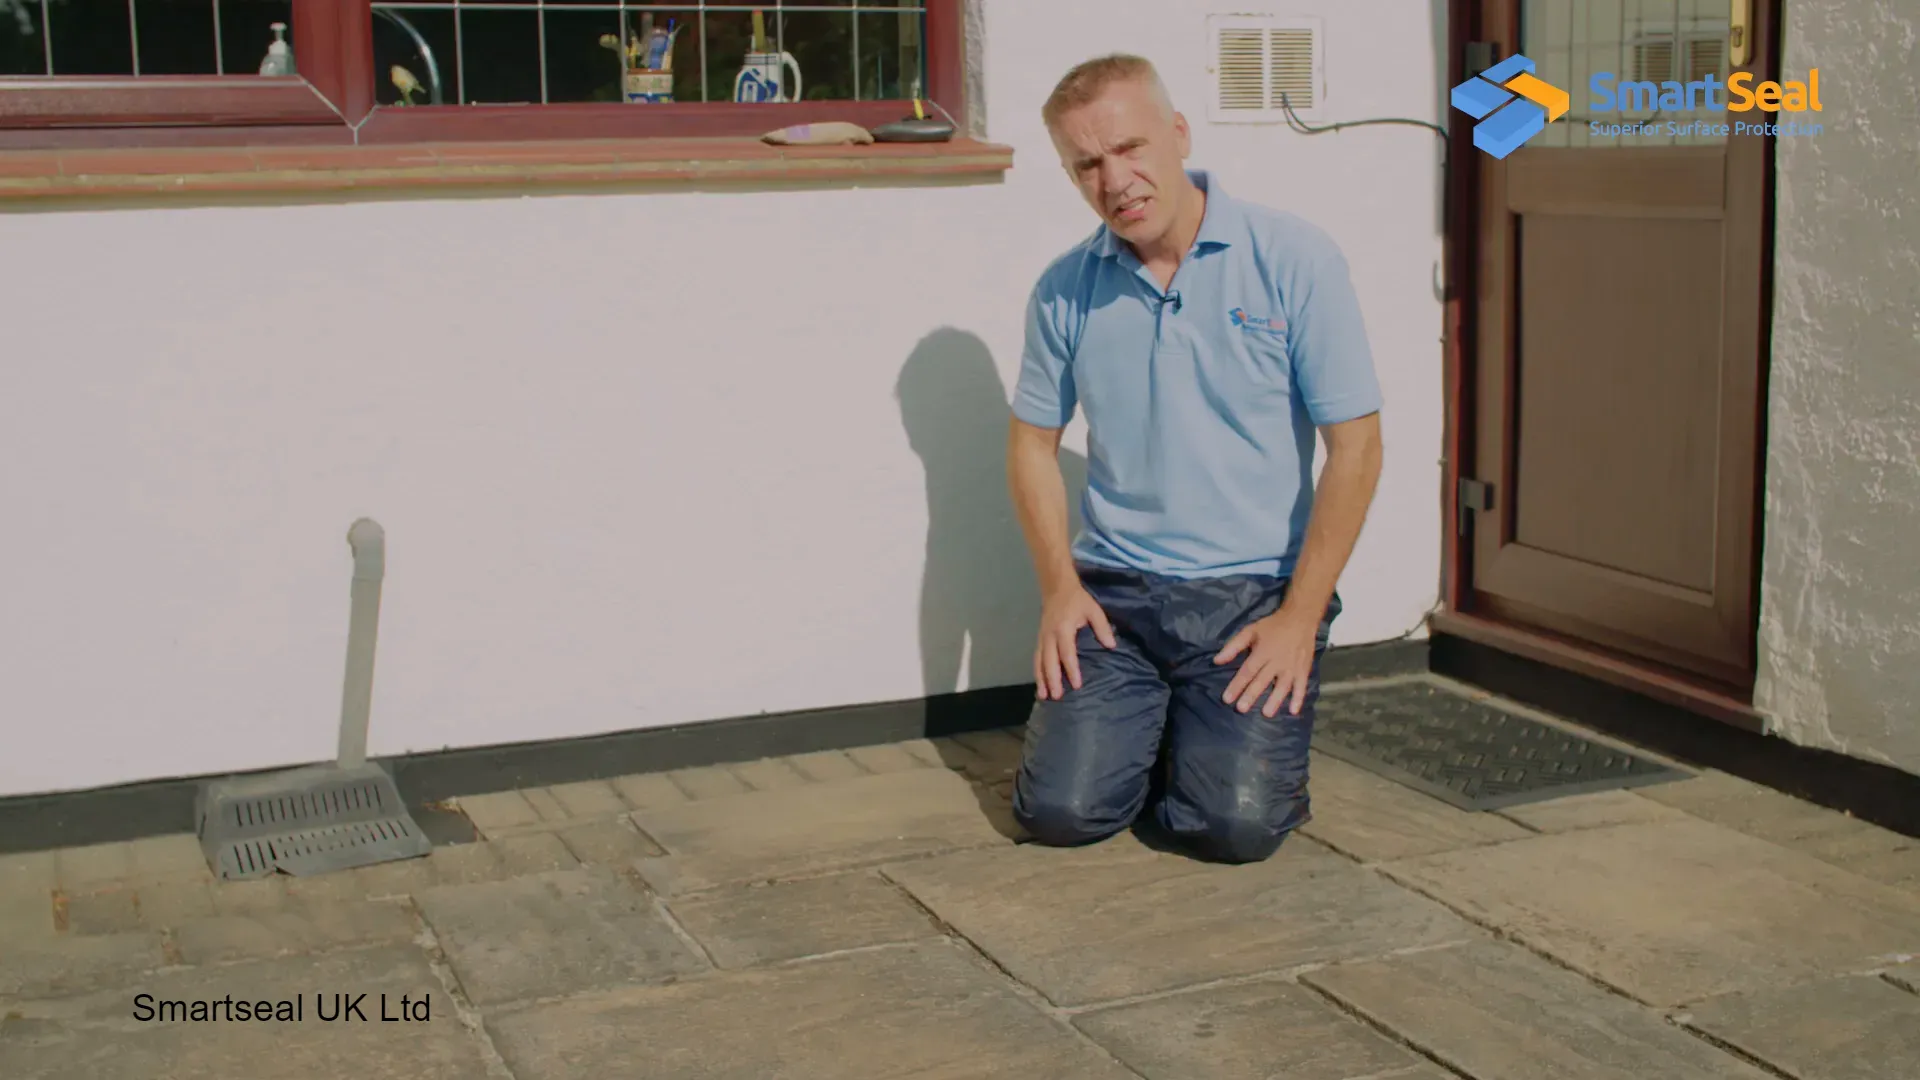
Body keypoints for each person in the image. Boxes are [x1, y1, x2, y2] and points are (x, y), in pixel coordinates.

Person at [1005, 54, 1385, 864]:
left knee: (1234, 829)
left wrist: (1298, 618)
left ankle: (1203, 743)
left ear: (1178, 135)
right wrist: (1059, 592)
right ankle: (1161, 729)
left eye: (1131, 148)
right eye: (1087, 165)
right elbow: (1031, 446)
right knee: (1059, 814)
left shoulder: (1293, 259)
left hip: (1251, 601)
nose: (1116, 181)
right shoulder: (1064, 289)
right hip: (1116, 601)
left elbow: (1356, 447)